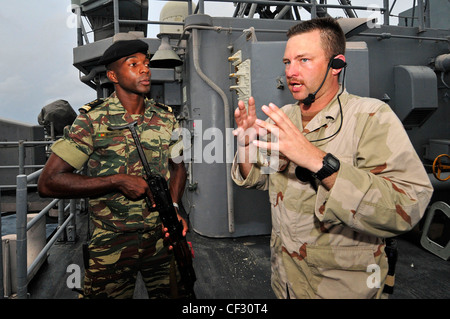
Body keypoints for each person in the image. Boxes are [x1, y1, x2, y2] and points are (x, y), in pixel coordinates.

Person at [231, 17, 433, 299]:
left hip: (342, 288)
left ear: (336, 64)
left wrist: (318, 161)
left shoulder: (370, 117)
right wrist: (245, 147)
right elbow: (259, 179)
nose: (291, 71)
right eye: (288, 62)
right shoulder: (285, 117)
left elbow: (409, 205)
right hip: (286, 281)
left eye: (303, 60)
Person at [38, 38, 188, 299]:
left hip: (161, 238)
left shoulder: (166, 117)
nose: (144, 69)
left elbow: (178, 168)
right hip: (111, 242)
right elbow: (49, 182)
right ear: (112, 76)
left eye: (146, 63)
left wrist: (174, 208)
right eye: (133, 64)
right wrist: (117, 181)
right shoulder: (92, 121)